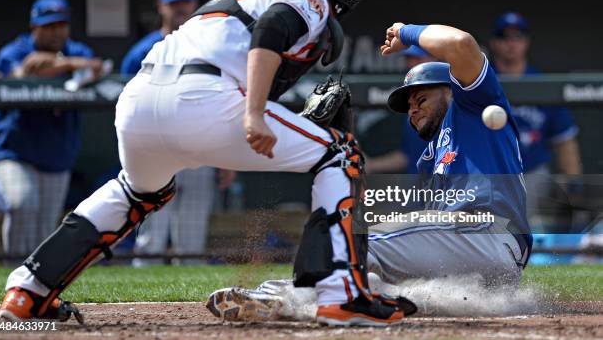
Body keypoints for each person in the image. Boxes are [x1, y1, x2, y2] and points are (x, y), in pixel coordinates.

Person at [0, 0, 410, 327]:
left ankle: (29, 290)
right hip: (203, 98)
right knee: (340, 154)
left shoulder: (233, 0)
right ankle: (341, 293)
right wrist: (254, 114)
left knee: (136, 192)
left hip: (140, 101)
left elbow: (255, 48)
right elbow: (271, 31)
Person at [205, 21, 532, 322]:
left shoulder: (473, 104)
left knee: (351, 239)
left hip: (484, 233)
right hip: (480, 263)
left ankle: (275, 295)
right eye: (409, 107)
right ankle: (327, 302)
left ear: (452, 89)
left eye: (421, 98)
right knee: (369, 274)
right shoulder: (432, 156)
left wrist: (406, 32)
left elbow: (460, 43)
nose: (413, 109)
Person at [120, 0, 235, 263]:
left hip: (198, 146)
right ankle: (142, 297)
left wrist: (225, 156)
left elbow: (222, 99)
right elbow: (125, 104)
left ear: (196, 4)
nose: (180, 9)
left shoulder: (210, 47)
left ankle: (188, 307)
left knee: (192, 240)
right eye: (174, 3)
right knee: (151, 235)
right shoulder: (141, 51)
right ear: (161, 6)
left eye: (185, 2)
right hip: (154, 148)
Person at [0, 0, 105, 258]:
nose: (56, 32)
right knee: (22, 203)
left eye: (60, 25)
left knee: (45, 227)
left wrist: (61, 63)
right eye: (48, 26)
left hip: (56, 154)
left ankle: (36, 288)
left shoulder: (77, 51)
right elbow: (20, 72)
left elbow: (95, 67)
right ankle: (16, 274)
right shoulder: (15, 50)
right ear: (35, 27)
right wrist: (59, 68)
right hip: (14, 151)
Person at [489, 12, 582, 231]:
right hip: (489, 171)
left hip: (531, 171)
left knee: (524, 220)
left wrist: (573, 183)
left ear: (526, 42)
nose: (511, 44)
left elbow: (564, 141)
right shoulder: (481, 82)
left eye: (517, 37)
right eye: (504, 37)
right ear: (494, 42)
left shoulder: (541, 84)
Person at [365, 46, 433, 174]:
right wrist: (371, 165)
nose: (412, 64)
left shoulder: (453, 99)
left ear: (436, 58)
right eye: (409, 58)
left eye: (418, 59)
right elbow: (408, 156)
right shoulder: (413, 105)